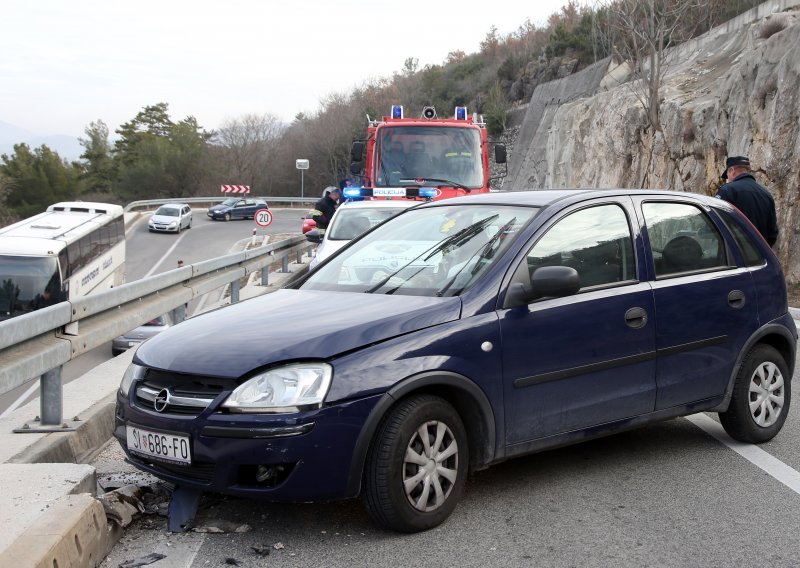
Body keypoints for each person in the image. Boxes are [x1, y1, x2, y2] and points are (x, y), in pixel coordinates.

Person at [715, 156, 778, 246]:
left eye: (727, 176)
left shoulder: (727, 190)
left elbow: (717, 222)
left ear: (732, 171)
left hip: (735, 253)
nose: (727, 179)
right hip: (760, 255)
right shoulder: (766, 194)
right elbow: (773, 233)